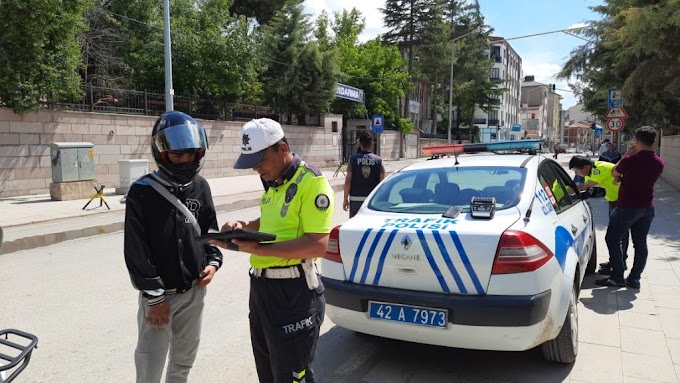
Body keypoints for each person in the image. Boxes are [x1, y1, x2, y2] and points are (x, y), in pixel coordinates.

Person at [212, 118, 334, 383]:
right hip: (262, 292)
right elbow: (267, 222)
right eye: (251, 162)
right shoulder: (273, 183)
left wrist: (259, 249)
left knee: (291, 377)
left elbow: (318, 244)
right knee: (268, 373)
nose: (256, 167)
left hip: (294, 294)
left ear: (282, 148)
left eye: (260, 159)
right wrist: (241, 226)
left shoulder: (311, 182)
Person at [124, 111, 223, 383]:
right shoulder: (142, 192)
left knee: (183, 362)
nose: (185, 160)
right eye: (178, 155)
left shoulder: (201, 187)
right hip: (159, 298)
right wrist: (155, 299)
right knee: (150, 365)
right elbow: (136, 250)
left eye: (190, 154)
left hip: (194, 292)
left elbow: (209, 232)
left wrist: (213, 264)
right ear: (162, 153)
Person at [596, 126, 664, 289]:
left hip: (627, 206)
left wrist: (627, 154)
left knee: (612, 238)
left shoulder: (630, 159)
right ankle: (634, 279)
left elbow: (614, 172)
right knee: (640, 244)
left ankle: (617, 276)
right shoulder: (659, 162)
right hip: (647, 207)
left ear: (637, 141)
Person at [569, 155, 629, 274]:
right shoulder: (592, 171)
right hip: (616, 200)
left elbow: (583, 187)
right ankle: (617, 262)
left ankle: (619, 264)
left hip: (622, 201)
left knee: (618, 234)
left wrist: (562, 190)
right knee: (617, 234)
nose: (577, 174)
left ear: (586, 167)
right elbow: (583, 190)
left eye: (577, 171)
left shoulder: (598, 170)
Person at [343, 131, 385, 218]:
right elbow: (382, 183)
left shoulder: (353, 159)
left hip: (355, 199)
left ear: (359, 144)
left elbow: (348, 180)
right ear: (371, 144)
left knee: (355, 225)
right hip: (372, 200)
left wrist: (345, 199)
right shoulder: (378, 161)